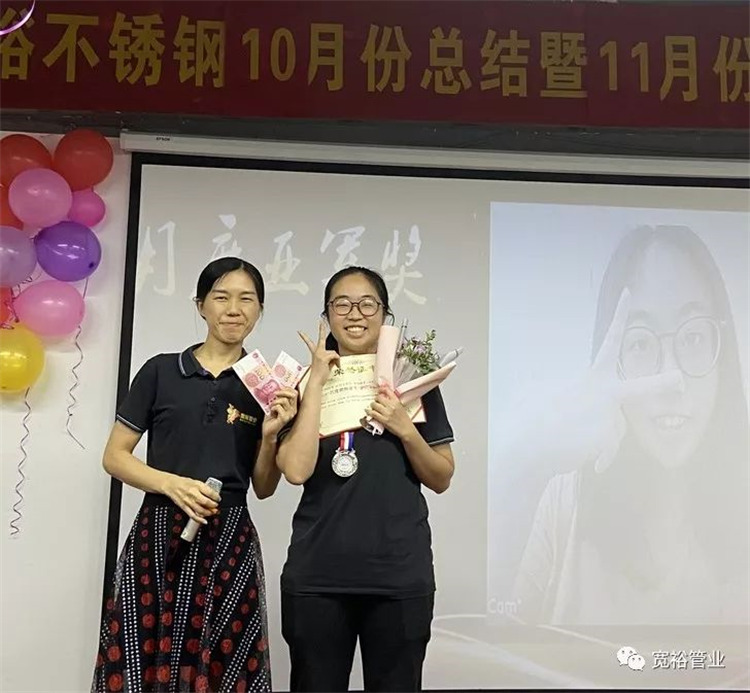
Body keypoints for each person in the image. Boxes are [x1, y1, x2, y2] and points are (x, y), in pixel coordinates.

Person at [501, 225, 749, 625]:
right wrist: (531, 461)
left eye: (693, 338)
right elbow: (489, 637)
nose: (671, 378)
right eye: (640, 343)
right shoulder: (565, 502)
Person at [92, 257, 298, 693]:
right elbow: (115, 457)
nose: (234, 309)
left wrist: (270, 437)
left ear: (260, 309)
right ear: (201, 305)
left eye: (247, 299)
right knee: (143, 654)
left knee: (226, 661)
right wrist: (172, 484)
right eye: (221, 297)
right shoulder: (161, 370)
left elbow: (264, 487)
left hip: (230, 539)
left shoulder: (267, 387)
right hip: (159, 533)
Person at [276, 266, 455, 692]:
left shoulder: (413, 380)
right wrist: (316, 384)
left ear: (385, 314)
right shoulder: (301, 382)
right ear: (326, 316)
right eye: (342, 304)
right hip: (318, 577)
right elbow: (296, 470)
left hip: (398, 576)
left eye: (367, 304)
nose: (355, 314)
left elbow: (441, 476)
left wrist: (405, 428)